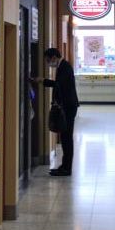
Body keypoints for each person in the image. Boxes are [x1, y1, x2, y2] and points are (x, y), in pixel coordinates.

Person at [35, 48, 79, 176]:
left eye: (48, 60)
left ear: (54, 57)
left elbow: (58, 85)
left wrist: (43, 81)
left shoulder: (65, 67)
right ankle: (64, 166)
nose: (48, 63)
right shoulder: (62, 66)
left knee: (66, 138)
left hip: (68, 107)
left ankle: (66, 168)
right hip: (66, 106)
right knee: (65, 137)